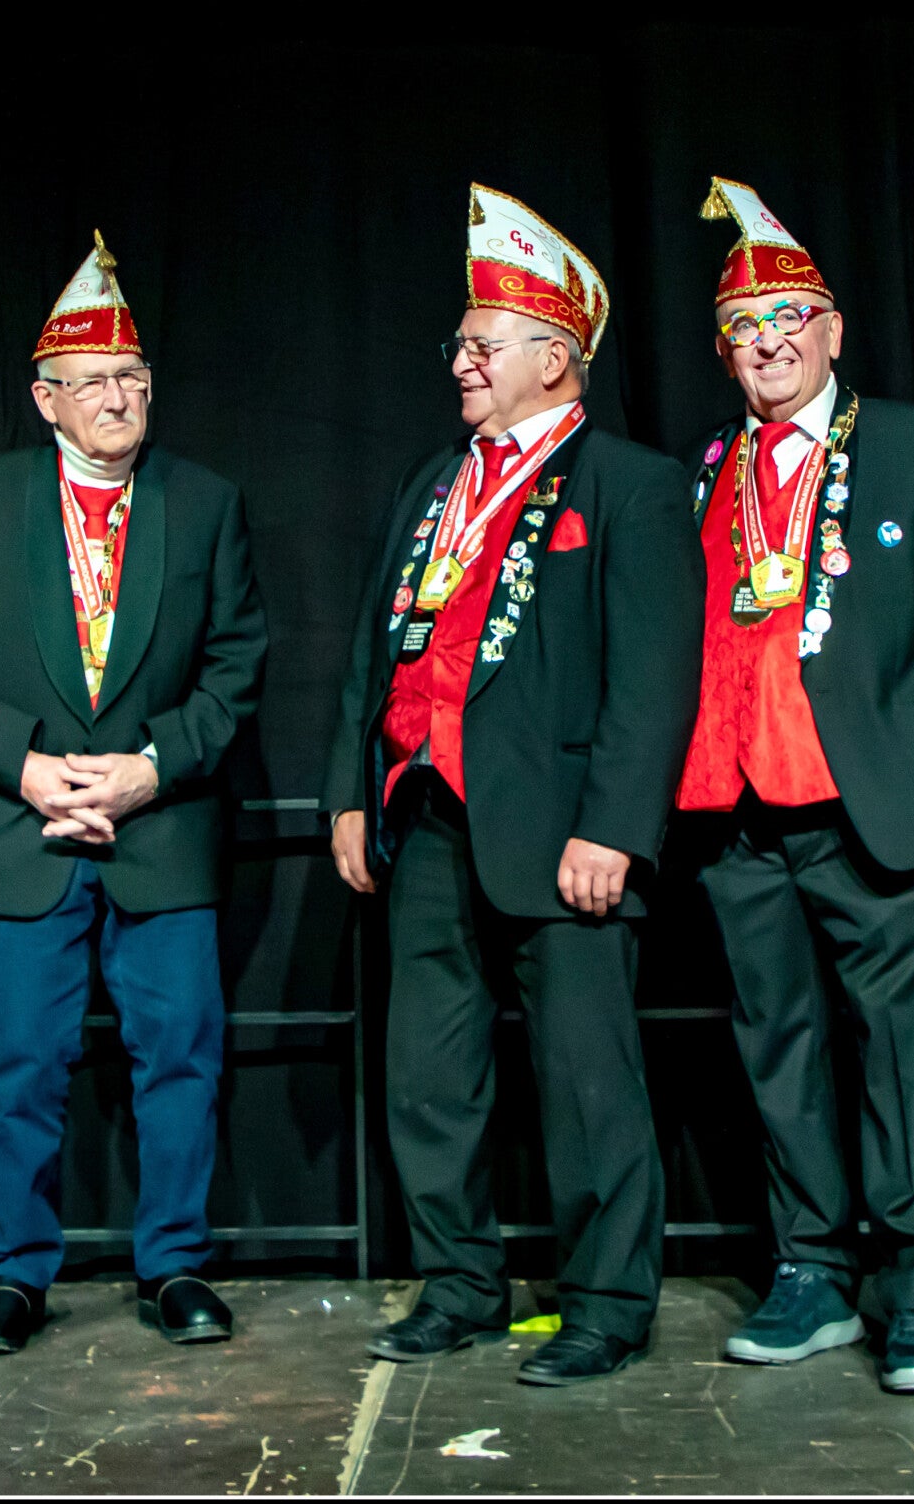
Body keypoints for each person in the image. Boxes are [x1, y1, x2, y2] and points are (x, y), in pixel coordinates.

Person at [322, 184, 703, 1387]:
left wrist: (616, 828)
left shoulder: (629, 483)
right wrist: (349, 792)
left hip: (562, 830)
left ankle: (606, 1302)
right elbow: (371, 648)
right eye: (460, 344)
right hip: (425, 812)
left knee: (586, 1080)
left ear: (555, 358)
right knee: (430, 1073)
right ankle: (458, 1284)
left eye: (481, 345)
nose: (461, 363)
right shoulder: (431, 482)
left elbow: (654, 676)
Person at [0, 231, 267, 1354]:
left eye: (134, 377)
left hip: (164, 828)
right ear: (45, 398)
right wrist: (24, 767)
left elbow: (236, 666)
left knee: (181, 1057)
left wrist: (152, 767)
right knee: (19, 1062)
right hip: (24, 830)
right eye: (96, 381)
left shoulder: (203, 503)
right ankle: (14, 1274)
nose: (119, 398)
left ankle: (175, 1264)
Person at [670, 179, 914, 1394]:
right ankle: (809, 1268)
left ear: (832, 330)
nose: (767, 343)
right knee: (777, 1052)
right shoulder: (702, 467)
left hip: (873, 806)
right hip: (736, 812)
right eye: (742, 327)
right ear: (721, 351)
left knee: (902, 1058)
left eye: (787, 318)